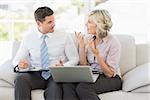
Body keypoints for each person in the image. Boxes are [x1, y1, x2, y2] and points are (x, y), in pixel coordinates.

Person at [12, 6, 79, 100]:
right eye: (49, 22)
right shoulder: (29, 38)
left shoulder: (64, 36)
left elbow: (75, 59)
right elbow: (16, 61)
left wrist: (63, 66)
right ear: (39, 23)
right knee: (20, 79)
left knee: (55, 90)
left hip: (55, 74)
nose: (54, 24)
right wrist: (21, 65)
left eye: (53, 21)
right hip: (36, 74)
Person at [63, 9, 122, 100]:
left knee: (83, 88)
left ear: (99, 24)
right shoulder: (88, 39)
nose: (86, 24)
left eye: (89, 22)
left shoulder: (113, 42)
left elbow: (110, 74)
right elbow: (84, 65)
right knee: (68, 85)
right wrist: (82, 46)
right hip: (92, 75)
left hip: (110, 78)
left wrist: (97, 55)